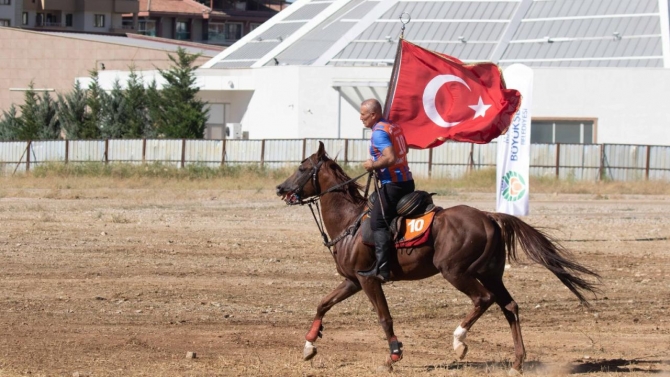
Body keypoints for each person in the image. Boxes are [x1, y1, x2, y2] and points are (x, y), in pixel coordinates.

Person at [358, 99, 414, 283]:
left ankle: (383, 270)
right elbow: (404, 149)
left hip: (394, 185)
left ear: (373, 115)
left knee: (378, 222)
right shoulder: (393, 126)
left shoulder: (379, 133)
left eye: (363, 115)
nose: (361, 118)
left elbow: (390, 157)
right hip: (406, 181)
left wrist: (373, 164)